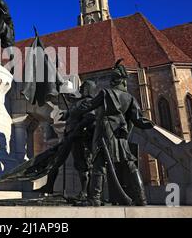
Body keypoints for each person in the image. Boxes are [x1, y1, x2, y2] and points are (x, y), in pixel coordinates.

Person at [62, 60, 154, 206]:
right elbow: (138, 119)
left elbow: (88, 105)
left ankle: (95, 198)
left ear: (113, 81)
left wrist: (72, 109)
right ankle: (141, 198)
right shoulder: (129, 98)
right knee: (130, 165)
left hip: (105, 134)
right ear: (123, 82)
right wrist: (149, 124)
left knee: (99, 164)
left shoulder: (106, 93)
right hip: (120, 134)